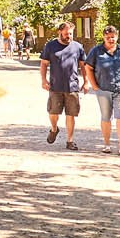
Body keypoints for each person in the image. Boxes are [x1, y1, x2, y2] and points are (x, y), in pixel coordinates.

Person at [84, 24, 120, 154]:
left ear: (117, 36)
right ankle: (107, 144)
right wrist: (94, 85)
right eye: (108, 37)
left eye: (113, 37)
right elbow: (88, 67)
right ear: (104, 37)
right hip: (103, 89)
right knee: (106, 116)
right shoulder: (96, 51)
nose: (111, 39)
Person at [39, 20, 87, 149]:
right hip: (55, 86)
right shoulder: (50, 46)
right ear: (59, 32)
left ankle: (70, 141)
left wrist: (86, 81)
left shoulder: (78, 47)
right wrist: (43, 80)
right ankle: (54, 129)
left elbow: (83, 66)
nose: (68, 36)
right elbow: (44, 64)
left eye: (70, 34)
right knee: (53, 113)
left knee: (71, 114)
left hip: (72, 86)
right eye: (66, 34)